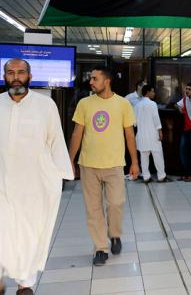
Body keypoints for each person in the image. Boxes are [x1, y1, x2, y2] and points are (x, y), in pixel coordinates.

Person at [0, 59, 74, 295]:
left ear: (30, 77)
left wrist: (61, 174)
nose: (16, 77)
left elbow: (55, 142)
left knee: (30, 233)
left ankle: (25, 285)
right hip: (1, 183)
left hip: (34, 186)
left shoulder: (46, 105)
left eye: (21, 72)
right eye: (10, 73)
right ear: (4, 77)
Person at [68, 65, 139, 267]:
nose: (91, 82)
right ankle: (100, 248)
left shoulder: (123, 104)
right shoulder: (84, 103)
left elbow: (129, 135)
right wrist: (70, 161)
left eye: (95, 78)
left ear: (106, 81)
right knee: (93, 209)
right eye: (91, 78)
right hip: (89, 165)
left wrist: (134, 162)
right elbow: (77, 134)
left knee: (116, 203)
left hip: (115, 164)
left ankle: (114, 234)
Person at [134, 85, 170, 183]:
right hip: (153, 134)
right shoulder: (152, 104)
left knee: (144, 157)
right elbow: (156, 119)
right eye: (153, 91)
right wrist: (160, 131)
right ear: (148, 92)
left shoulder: (137, 105)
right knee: (158, 155)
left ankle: (146, 177)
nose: (154, 93)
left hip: (141, 135)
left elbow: (134, 123)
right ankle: (161, 176)